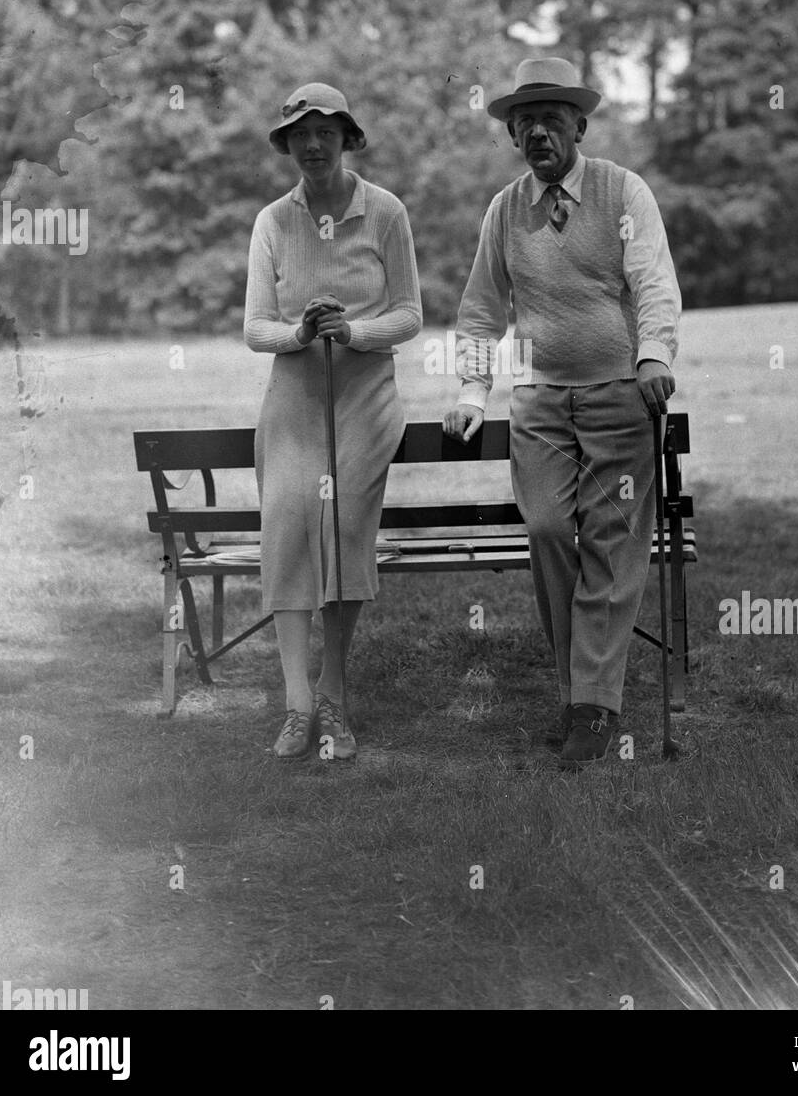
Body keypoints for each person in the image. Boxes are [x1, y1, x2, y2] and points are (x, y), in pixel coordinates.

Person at [443, 57, 681, 769]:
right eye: (524, 121)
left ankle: (591, 709)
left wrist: (654, 355)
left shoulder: (622, 192)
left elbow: (653, 280)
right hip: (541, 402)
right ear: (513, 133)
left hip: (618, 396)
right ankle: (581, 689)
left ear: (579, 123)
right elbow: (482, 312)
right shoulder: (505, 209)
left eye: (552, 117)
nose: (537, 131)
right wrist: (468, 395)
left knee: (611, 546)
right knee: (547, 528)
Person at [245, 82, 422, 760]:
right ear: (287, 143)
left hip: (364, 392)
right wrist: (298, 332)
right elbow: (255, 326)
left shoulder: (385, 212)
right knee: (289, 527)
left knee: (345, 527)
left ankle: (334, 695)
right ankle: (296, 706)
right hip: (294, 395)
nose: (313, 144)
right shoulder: (273, 222)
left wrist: (353, 331)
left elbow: (409, 314)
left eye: (326, 131)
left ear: (348, 138)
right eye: (300, 133)